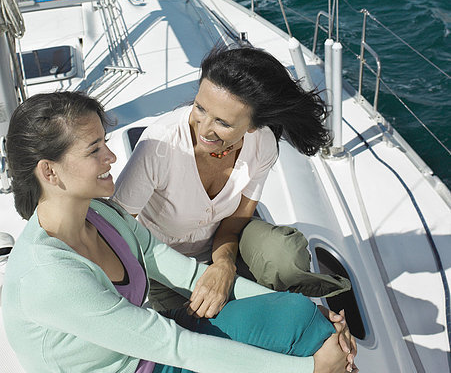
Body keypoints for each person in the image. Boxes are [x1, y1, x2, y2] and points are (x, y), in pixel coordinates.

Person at [2, 91, 357, 373]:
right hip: (153, 356)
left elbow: (189, 275)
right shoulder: (48, 275)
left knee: (300, 316)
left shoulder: (103, 216)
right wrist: (309, 369)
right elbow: (171, 346)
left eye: (105, 142)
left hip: (153, 352)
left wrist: (319, 314)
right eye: (94, 150)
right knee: (309, 347)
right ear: (49, 173)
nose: (111, 156)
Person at [114, 46, 351, 318]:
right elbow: (117, 232)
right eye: (200, 108)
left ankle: (288, 307)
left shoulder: (262, 144)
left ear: (253, 126)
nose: (203, 128)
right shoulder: (159, 145)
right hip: (162, 262)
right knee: (210, 327)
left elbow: (235, 221)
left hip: (226, 244)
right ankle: (279, 309)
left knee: (283, 256)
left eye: (223, 123)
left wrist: (224, 265)